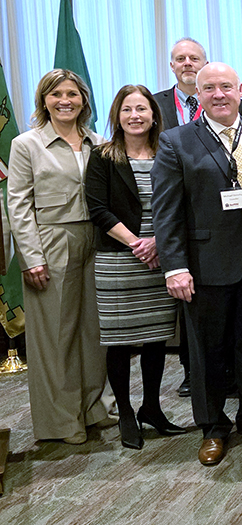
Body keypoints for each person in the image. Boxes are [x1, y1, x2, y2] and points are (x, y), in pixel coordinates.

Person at [152, 62, 242, 466]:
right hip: (204, 267)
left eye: (226, 86)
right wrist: (175, 267)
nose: (219, 94)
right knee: (208, 352)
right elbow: (166, 212)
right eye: (209, 88)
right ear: (199, 93)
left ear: (240, 89)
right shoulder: (176, 141)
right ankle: (212, 426)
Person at [8, 69, 109, 444]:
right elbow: (18, 204)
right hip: (51, 241)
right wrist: (31, 257)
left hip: (95, 239)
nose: (65, 100)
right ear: (44, 101)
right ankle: (63, 421)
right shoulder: (27, 144)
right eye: (56, 94)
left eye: (72, 93)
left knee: (92, 332)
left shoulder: (98, 142)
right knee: (56, 336)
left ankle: (93, 408)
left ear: (84, 99)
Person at [84, 86, 186, 450]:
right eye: (127, 109)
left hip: (161, 256)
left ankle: (152, 408)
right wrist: (137, 244)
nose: (135, 116)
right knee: (119, 341)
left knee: (157, 338)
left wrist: (157, 242)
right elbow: (97, 208)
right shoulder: (103, 156)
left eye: (142, 109)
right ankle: (126, 413)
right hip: (118, 260)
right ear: (117, 115)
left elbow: (181, 202)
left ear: (154, 115)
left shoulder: (168, 152)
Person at [153, 37, 208, 398]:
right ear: (172, 65)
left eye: (194, 58)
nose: (188, 63)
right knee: (186, 301)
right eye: (181, 58)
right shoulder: (154, 104)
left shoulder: (229, 102)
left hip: (214, 213)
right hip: (174, 211)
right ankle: (191, 371)